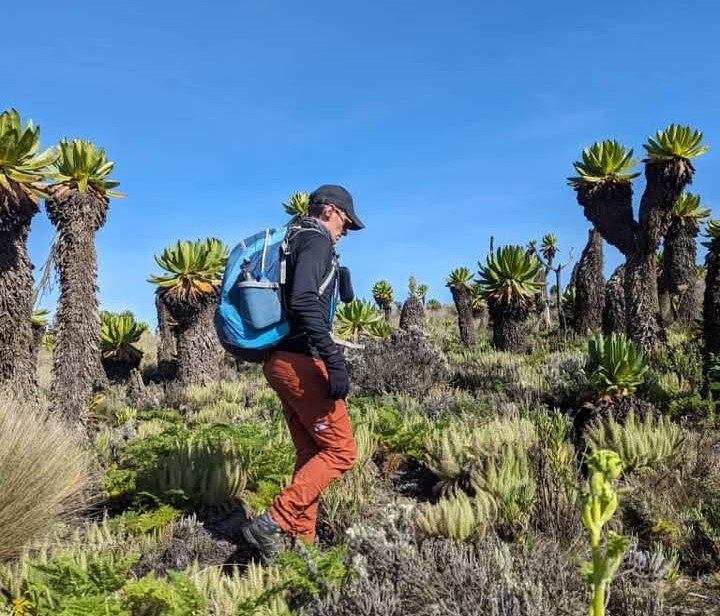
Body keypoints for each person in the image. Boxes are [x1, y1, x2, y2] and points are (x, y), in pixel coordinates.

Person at [241, 184, 365, 561]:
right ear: (329, 211)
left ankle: (302, 544)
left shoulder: (293, 240)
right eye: (345, 221)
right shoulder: (315, 240)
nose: (345, 230)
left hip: (278, 362)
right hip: (300, 362)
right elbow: (303, 300)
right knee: (342, 451)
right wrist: (333, 358)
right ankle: (272, 522)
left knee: (312, 452)